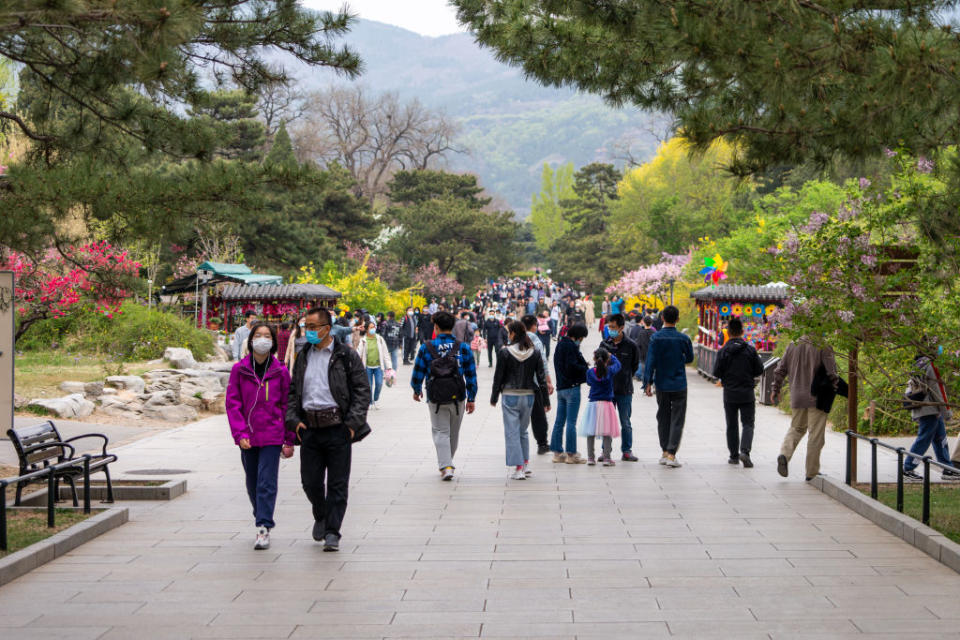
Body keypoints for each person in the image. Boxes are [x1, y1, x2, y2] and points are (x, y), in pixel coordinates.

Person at [286, 307, 370, 552]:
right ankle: (320, 515)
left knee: (337, 483)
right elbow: (293, 391)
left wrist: (352, 425)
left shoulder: (345, 355)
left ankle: (332, 531)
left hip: (338, 428)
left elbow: (362, 390)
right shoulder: (304, 355)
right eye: (306, 327)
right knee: (310, 482)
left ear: (326, 328)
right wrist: (293, 421)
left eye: (312, 327)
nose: (308, 332)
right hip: (309, 428)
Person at [226, 323, 293, 550]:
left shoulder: (281, 371)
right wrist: (239, 433)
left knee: (266, 482)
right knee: (252, 482)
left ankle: (263, 526)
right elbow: (233, 403)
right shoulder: (240, 370)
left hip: (273, 435)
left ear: (273, 342)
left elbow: (287, 405)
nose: (262, 339)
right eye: (258, 335)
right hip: (248, 436)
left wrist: (289, 438)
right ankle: (260, 512)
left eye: (267, 336)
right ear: (250, 340)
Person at [411, 311, 478, 481]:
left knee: (441, 431)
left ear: (436, 327)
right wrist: (471, 398)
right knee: (453, 433)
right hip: (458, 396)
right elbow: (471, 374)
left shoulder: (427, 347)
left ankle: (446, 466)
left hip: (435, 396)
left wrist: (417, 389)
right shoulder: (462, 347)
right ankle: (447, 463)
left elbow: (418, 370)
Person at [770, 335, 838, 481]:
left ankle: (784, 454)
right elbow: (831, 372)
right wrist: (834, 388)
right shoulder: (823, 345)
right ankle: (811, 473)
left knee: (796, 428)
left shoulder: (792, 344)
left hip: (797, 395)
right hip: (818, 397)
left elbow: (780, 369)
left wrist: (776, 388)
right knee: (815, 434)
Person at [491, 321, 550, 480]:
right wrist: (546, 401)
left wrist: (494, 396)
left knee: (512, 432)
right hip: (529, 395)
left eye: (509, 332)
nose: (507, 335)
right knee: (523, 431)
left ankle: (518, 469)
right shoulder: (535, 352)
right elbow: (541, 378)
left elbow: (499, 377)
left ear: (513, 334)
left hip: (510, 394)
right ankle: (525, 463)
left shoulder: (505, 352)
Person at [643, 305, 694, 468]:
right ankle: (672, 454)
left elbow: (650, 361)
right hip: (679, 383)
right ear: (677, 319)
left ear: (662, 318)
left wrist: (648, 382)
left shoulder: (655, 338)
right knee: (677, 419)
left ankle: (664, 451)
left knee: (663, 417)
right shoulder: (684, 339)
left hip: (662, 383)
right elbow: (690, 358)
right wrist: (678, 361)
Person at [712, 317, 764, 468]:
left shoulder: (723, 352)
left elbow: (716, 372)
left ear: (728, 332)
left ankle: (733, 456)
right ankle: (745, 452)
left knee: (731, 424)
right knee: (748, 423)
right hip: (747, 392)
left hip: (729, 393)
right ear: (742, 332)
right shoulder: (750, 350)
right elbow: (759, 369)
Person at [902, 345, 960, 480]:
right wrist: (947, 412)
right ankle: (908, 468)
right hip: (930, 408)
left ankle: (947, 468)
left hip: (924, 407)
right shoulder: (930, 364)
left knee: (940, 439)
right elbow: (937, 389)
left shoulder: (918, 363)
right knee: (924, 439)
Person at [601, 314, 641, 462]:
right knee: (607, 422)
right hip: (607, 390)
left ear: (621, 327)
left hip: (624, 390)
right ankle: (605, 451)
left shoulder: (631, 345)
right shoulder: (604, 344)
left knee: (625, 422)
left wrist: (625, 376)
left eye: (613, 327)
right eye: (609, 327)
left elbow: (635, 366)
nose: (610, 330)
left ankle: (626, 451)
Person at [550, 323, 590, 464]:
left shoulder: (560, 345)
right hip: (572, 388)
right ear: (578, 336)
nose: (581, 341)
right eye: (582, 338)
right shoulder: (571, 346)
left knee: (559, 421)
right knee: (571, 422)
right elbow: (572, 366)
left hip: (561, 387)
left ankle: (557, 452)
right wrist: (585, 368)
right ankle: (571, 454)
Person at [581, 347, 622, 466]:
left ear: (594, 358)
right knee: (607, 431)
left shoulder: (590, 372)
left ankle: (590, 457)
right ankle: (607, 458)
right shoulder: (610, 371)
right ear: (607, 360)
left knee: (591, 431)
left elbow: (589, 382)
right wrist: (612, 356)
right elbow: (618, 365)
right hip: (607, 404)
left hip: (593, 404)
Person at [523, 314, 555, 455]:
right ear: (534, 326)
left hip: (517, 386)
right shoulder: (536, 341)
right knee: (538, 415)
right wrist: (548, 381)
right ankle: (542, 444)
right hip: (535, 384)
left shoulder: (514, 340)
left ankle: (519, 444)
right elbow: (542, 364)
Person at [356, 320, 390, 410]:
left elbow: (385, 353)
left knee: (379, 384)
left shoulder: (380, 339)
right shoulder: (363, 340)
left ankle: (376, 399)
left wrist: (389, 367)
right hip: (367, 367)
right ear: (367, 329)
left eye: (374, 327)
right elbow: (358, 353)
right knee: (369, 386)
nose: (373, 329)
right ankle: (370, 402)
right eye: (371, 327)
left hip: (378, 366)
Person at [632, 316, 655, 382]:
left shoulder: (641, 333)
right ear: (651, 323)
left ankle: (646, 387)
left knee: (644, 372)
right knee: (652, 372)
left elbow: (638, 344)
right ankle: (652, 385)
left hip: (643, 356)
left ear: (644, 323)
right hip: (652, 355)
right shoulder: (654, 333)